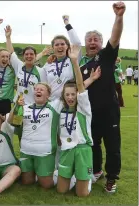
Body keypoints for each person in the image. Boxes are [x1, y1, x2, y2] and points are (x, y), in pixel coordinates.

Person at [79, 1, 126, 193]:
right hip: (90, 113)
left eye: (95, 40)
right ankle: (97, 170)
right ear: (85, 43)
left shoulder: (106, 56)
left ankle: (111, 178)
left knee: (112, 147)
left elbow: (115, 36)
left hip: (109, 112)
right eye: (89, 40)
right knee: (93, 144)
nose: (92, 42)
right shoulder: (80, 64)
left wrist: (119, 16)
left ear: (101, 42)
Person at [56, 45, 98, 197]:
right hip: (67, 150)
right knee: (61, 191)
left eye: (73, 94)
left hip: (82, 150)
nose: (70, 97)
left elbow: (80, 85)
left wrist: (74, 61)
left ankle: (85, 179)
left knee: (82, 195)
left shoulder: (84, 109)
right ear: (64, 96)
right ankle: (73, 176)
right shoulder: (61, 110)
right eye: (67, 95)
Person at [14, 82, 62, 189]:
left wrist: (91, 79)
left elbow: (72, 91)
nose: (38, 91)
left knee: (46, 185)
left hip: (45, 152)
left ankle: (59, 174)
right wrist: (16, 107)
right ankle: (37, 171)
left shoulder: (54, 106)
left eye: (42, 89)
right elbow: (12, 122)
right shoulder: (24, 107)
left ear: (48, 95)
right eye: (36, 89)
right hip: (26, 151)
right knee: (27, 182)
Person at [41, 15, 82, 100]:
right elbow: (44, 85)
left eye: (63, 44)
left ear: (67, 46)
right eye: (57, 45)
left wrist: (67, 23)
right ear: (53, 48)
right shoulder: (48, 64)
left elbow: (77, 43)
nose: (60, 47)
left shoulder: (73, 60)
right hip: (52, 104)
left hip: (69, 102)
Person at [5, 25, 46, 105]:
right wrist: (8, 38)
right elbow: (11, 53)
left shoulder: (41, 71)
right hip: (18, 104)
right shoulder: (19, 66)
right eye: (26, 54)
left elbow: (44, 90)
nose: (29, 56)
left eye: (31, 54)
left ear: (35, 56)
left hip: (33, 106)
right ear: (23, 56)